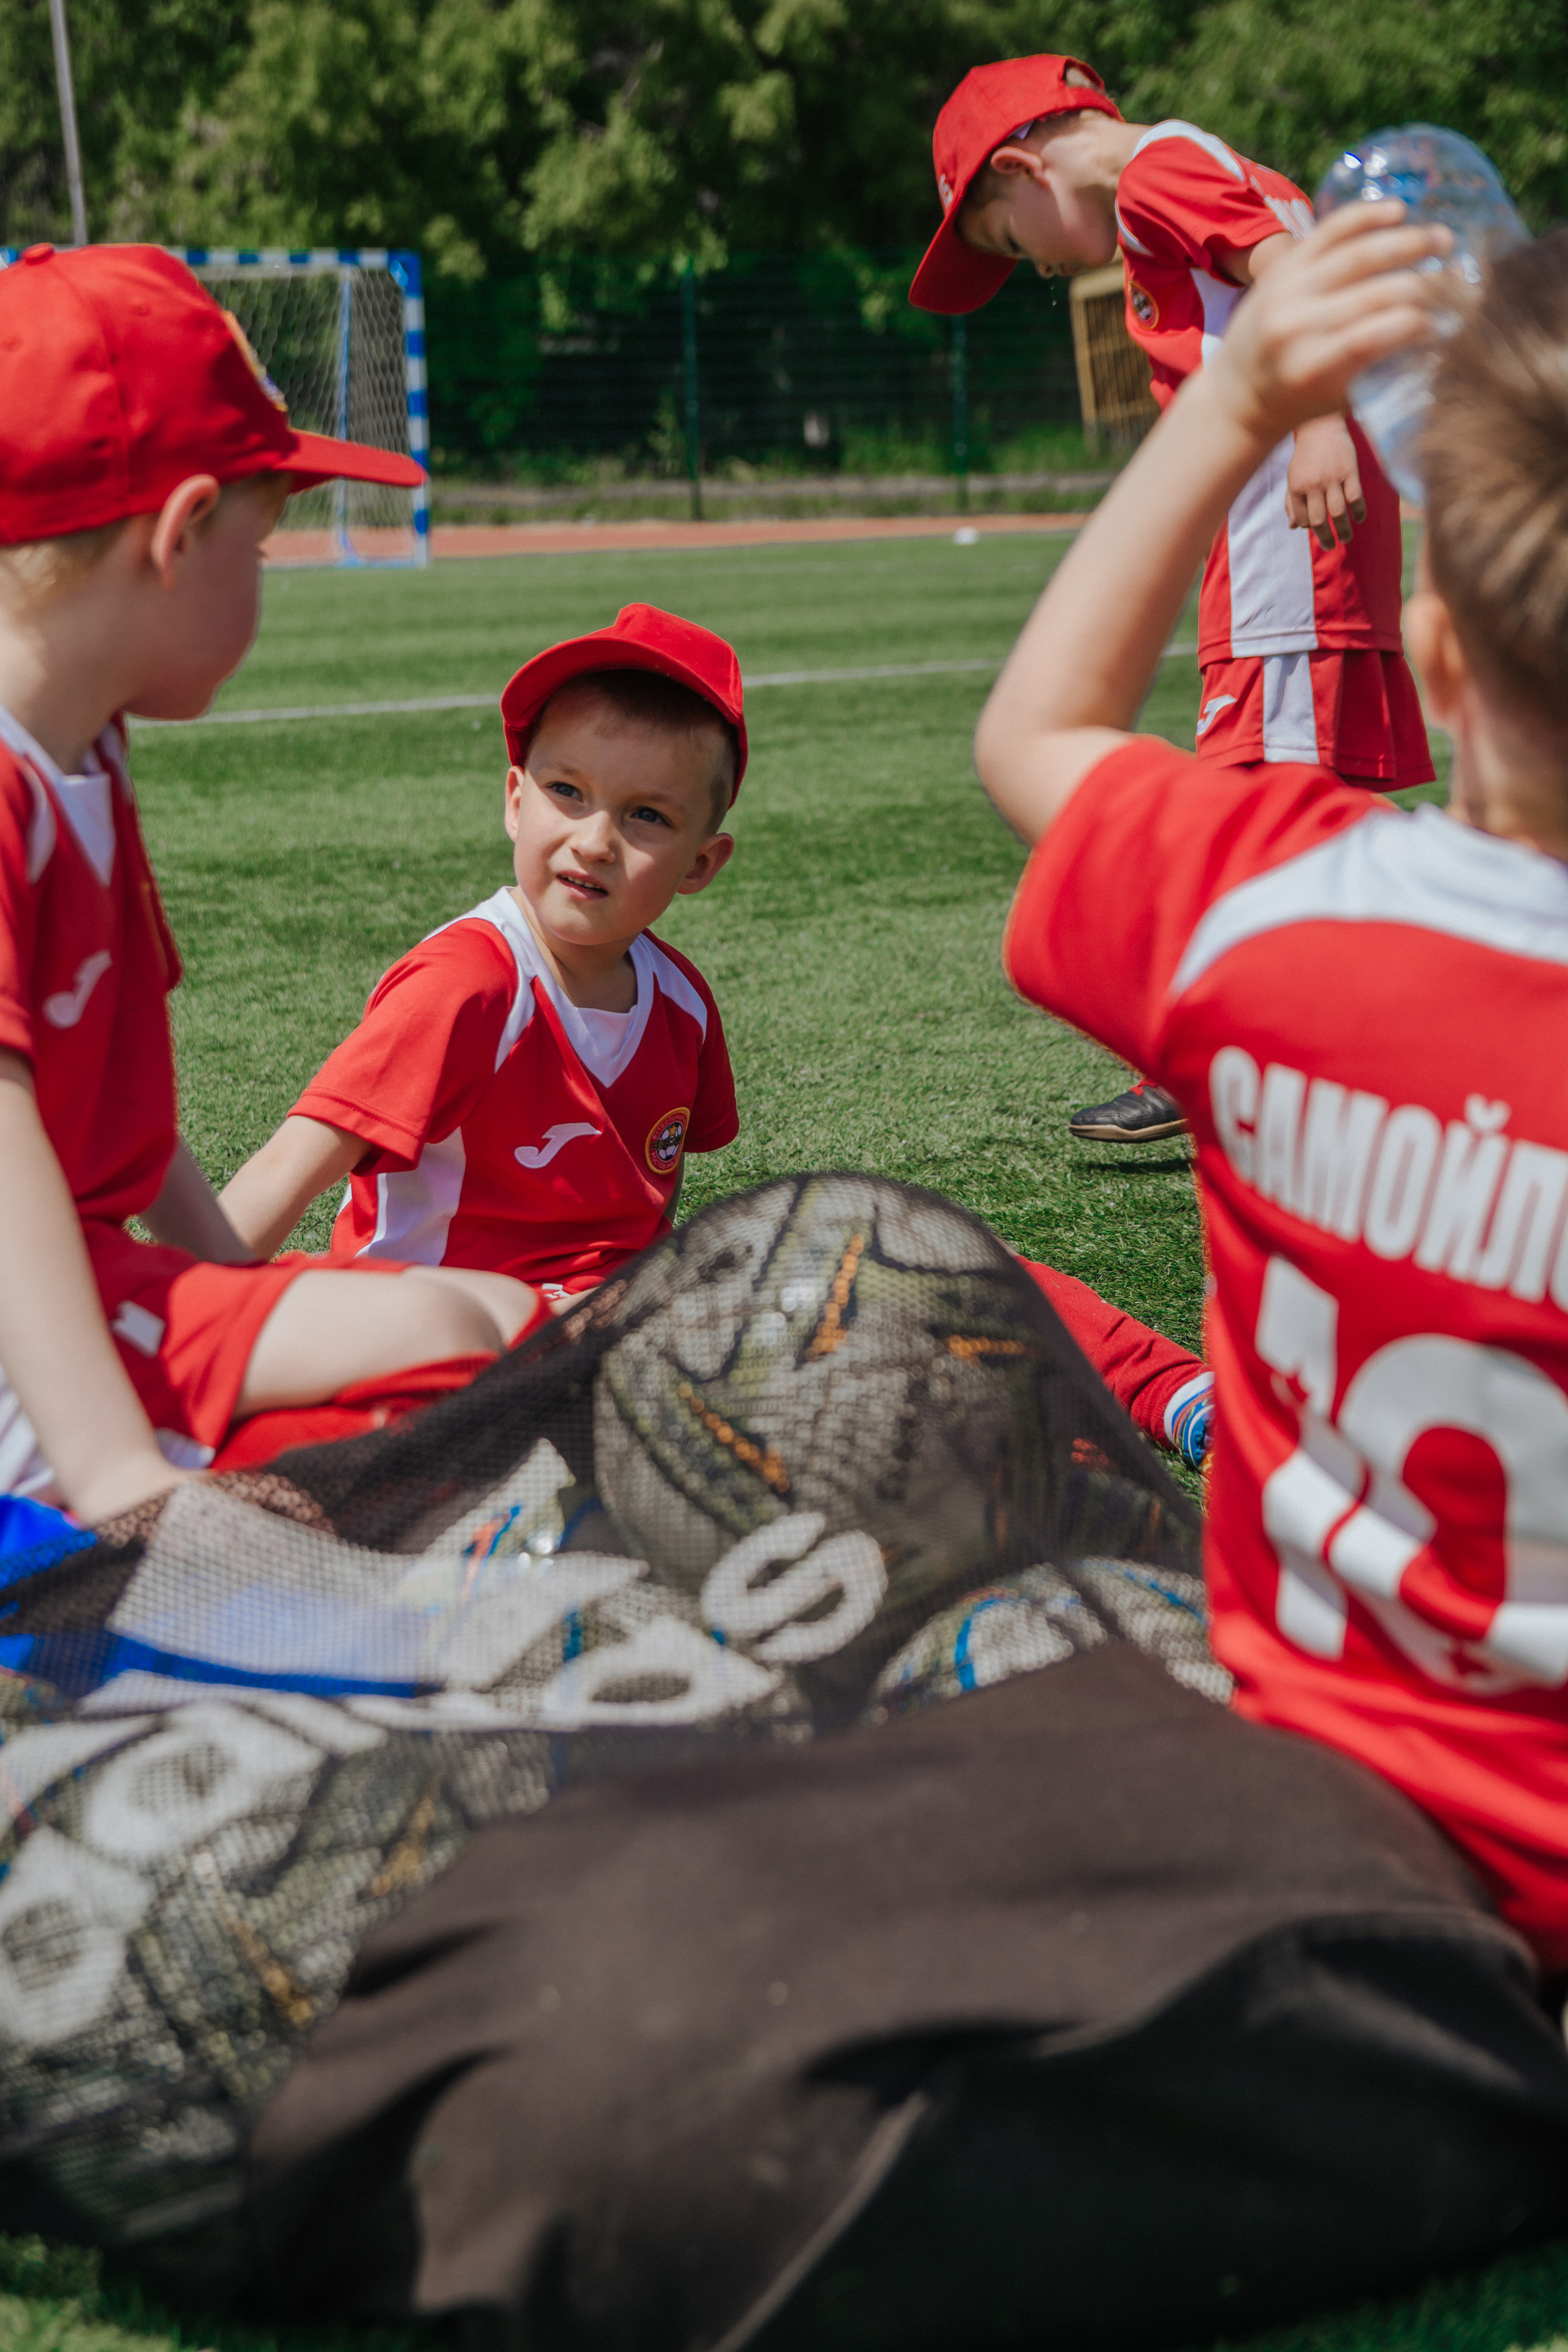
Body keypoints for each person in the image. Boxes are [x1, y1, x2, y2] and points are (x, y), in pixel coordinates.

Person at [975, 183, 1568, 1974]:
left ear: (1437, 658)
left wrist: (1235, 406)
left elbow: (1036, 732)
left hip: (1332, 1826)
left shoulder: (1273, 912)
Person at [219, 603, 1217, 1469]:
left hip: (628, 1334)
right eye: (567, 792)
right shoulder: (469, 983)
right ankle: (1043, 1444)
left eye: (646, 815)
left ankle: (1181, 1396)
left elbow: (641, 1227)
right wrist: (177, 1334)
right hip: (456, 1347)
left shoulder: (680, 1003)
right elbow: (285, 1174)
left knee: (926, 1253)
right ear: (514, 796)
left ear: (703, 862)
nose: (595, 839)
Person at [0, 243, 545, 1526]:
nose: (268, 583)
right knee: (453, 1346)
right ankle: (91, 1560)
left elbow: (112, 1118)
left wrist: (236, 1283)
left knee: (505, 1322)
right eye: (265, 544)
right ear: (181, 534)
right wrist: (117, 1477)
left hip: (77, 1289)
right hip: (32, 1336)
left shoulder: (87, 749)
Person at [913, 53, 1434, 1148]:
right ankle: (1279, 1030)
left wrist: (1315, 421)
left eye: (1012, 241)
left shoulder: (1157, 170)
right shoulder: (1195, 166)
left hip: (1281, 550)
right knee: (1294, 798)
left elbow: (1295, 271)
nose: (1040, 272)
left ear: (1025, 166)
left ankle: (1231, 1044)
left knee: (1254, 806)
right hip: (1281, 541)